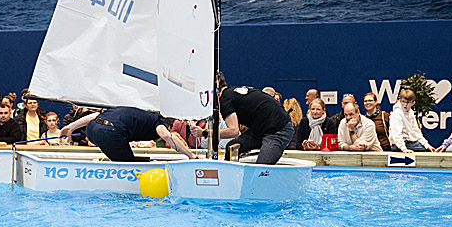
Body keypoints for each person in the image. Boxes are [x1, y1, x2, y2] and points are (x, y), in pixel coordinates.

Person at [59, 106, 194, 162]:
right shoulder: (157, 121)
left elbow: (95, 116)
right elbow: (166, 136)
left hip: (91, 129)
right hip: (109, 133)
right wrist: (191, 156)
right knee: (130, 163)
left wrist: (70, 127)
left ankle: (115, 159)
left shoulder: (137, 114)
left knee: (123, 153)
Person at [216, 77, 295, 165]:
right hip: (261, 129)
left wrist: (207, 133)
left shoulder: (225, 99)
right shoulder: (233, 92)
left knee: (261, 168)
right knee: (231, 148)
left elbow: (233, 131)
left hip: (278, 130)